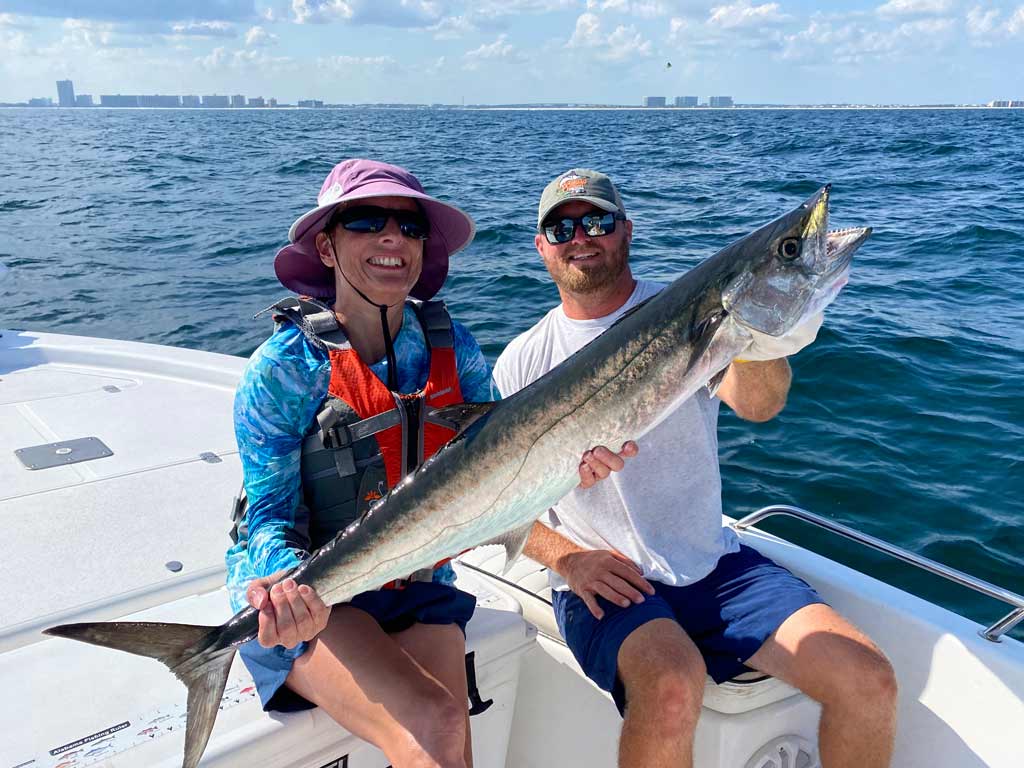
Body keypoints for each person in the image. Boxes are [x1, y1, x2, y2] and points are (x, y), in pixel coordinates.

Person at [225, 159, 632, 768]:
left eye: (411, 227)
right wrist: (288, 592)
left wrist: (572, 470)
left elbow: (498, 478)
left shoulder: (455, 348)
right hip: (315, 595)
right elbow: (270, 516)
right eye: (366, 220)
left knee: (452, 740)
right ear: (327, 248)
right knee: (436, 723)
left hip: (418, 582)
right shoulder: (283, 369)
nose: (393, 237)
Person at [493, 168, 898, 768]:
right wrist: (568, 560)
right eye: (562, 227)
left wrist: (758, 336)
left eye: (598, 220)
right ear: (541, 246)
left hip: (713, 562)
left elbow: (760, 407)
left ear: (626, 231)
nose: (581, 236)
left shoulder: (682, 307)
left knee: (868, 678)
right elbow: (498, 503)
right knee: (670, 684)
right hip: (605, 576)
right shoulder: (523, 360)